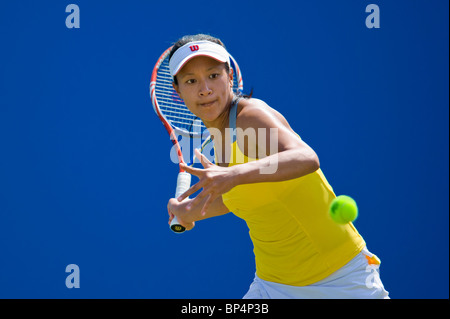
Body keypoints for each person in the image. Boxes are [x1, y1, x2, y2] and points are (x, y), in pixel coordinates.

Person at [166, 34, 389, 299]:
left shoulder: (251, 117)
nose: (205, 89)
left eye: (214, 75)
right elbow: (242, 196)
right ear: (177, 92)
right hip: (273, 286)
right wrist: (189, 211)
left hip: (340, 280)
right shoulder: (215, 144)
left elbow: (306, 158)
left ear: (230, 77)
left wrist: (234, 174)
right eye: (191, 81)